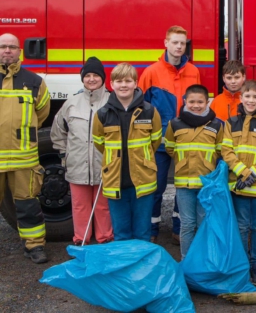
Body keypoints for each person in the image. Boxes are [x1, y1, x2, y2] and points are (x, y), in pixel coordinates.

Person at [139, 25, 200, 244]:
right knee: (155, 186)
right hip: (159, 143)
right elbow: (141, 109)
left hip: (186, 141)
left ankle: (178, 229)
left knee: (183, 187)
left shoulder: (194, 71)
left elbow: (198, 106)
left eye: (182, 43)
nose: (178, 47)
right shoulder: (151, 72)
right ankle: (151, 229)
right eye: (174, 42)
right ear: (165, 43)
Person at [92, 63, 162, 241]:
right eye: (119, 81)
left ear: (136, 83)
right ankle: (124, 268)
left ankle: (142, 268)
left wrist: (140, 159)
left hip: (142, 181)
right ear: (111, 84)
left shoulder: (149, 111)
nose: (124, 85)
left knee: (142, 232)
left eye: (128, 81)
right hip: (115, 181)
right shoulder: (102, 114)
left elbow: (155, 141)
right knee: (121, 232)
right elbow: (99, 143)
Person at [51, 57, 113, 245]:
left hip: (105, 166)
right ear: (82, 78)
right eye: (88, 75)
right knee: (79, 206)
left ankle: (105, 241)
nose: (92, 79)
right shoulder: (71, 103)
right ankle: (81, 241)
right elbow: (58, 131)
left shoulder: (112, 102)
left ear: (103, 78)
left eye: (96, 75)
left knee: (104, 206)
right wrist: (64, 155)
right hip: (77, 164)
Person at [0, 33, 50, 263]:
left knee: (28, 204)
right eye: (3, 47)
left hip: (23, 159)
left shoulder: (35, 82)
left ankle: (35, 247)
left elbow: (41, 114)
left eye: (12, 47)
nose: (7, 51)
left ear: (20, 51)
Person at [221, 80, 256, 286]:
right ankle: (243, 266)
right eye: (248, 96)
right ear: (241, 98)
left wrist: (253, 174)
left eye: (255, 97)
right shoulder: (230, 123)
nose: (251, 100)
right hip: (239, 185)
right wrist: (243, 173)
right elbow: (226, 151)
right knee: (242, 227)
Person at [165, 84, 223, 259]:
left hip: (206, 184)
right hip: (184, 183)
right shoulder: (174, 124)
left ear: (207, 102)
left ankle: (204, 259)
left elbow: (220, 150)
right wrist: (183, 162)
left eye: (200, 102)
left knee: (204, 223)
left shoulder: (217, 124)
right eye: (192, 101)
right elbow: (170, 147)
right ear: (185, 101)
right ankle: (187, 259)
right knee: (187, 224)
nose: (196, 105)